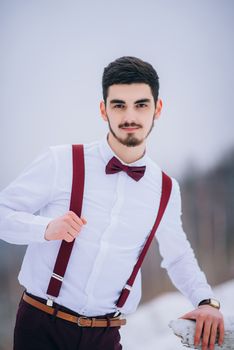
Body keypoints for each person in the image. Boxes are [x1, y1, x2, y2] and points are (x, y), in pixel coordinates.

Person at [0, 56, 224, 350]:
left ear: (157, 109)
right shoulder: (62, 161)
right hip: (42, 326)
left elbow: (178, 255)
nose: (130, 116)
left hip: (105, 336)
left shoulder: (166, 188)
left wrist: (205, 301)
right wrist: (45, 228)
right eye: (119, 105)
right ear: (103, 109)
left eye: (141, 105)